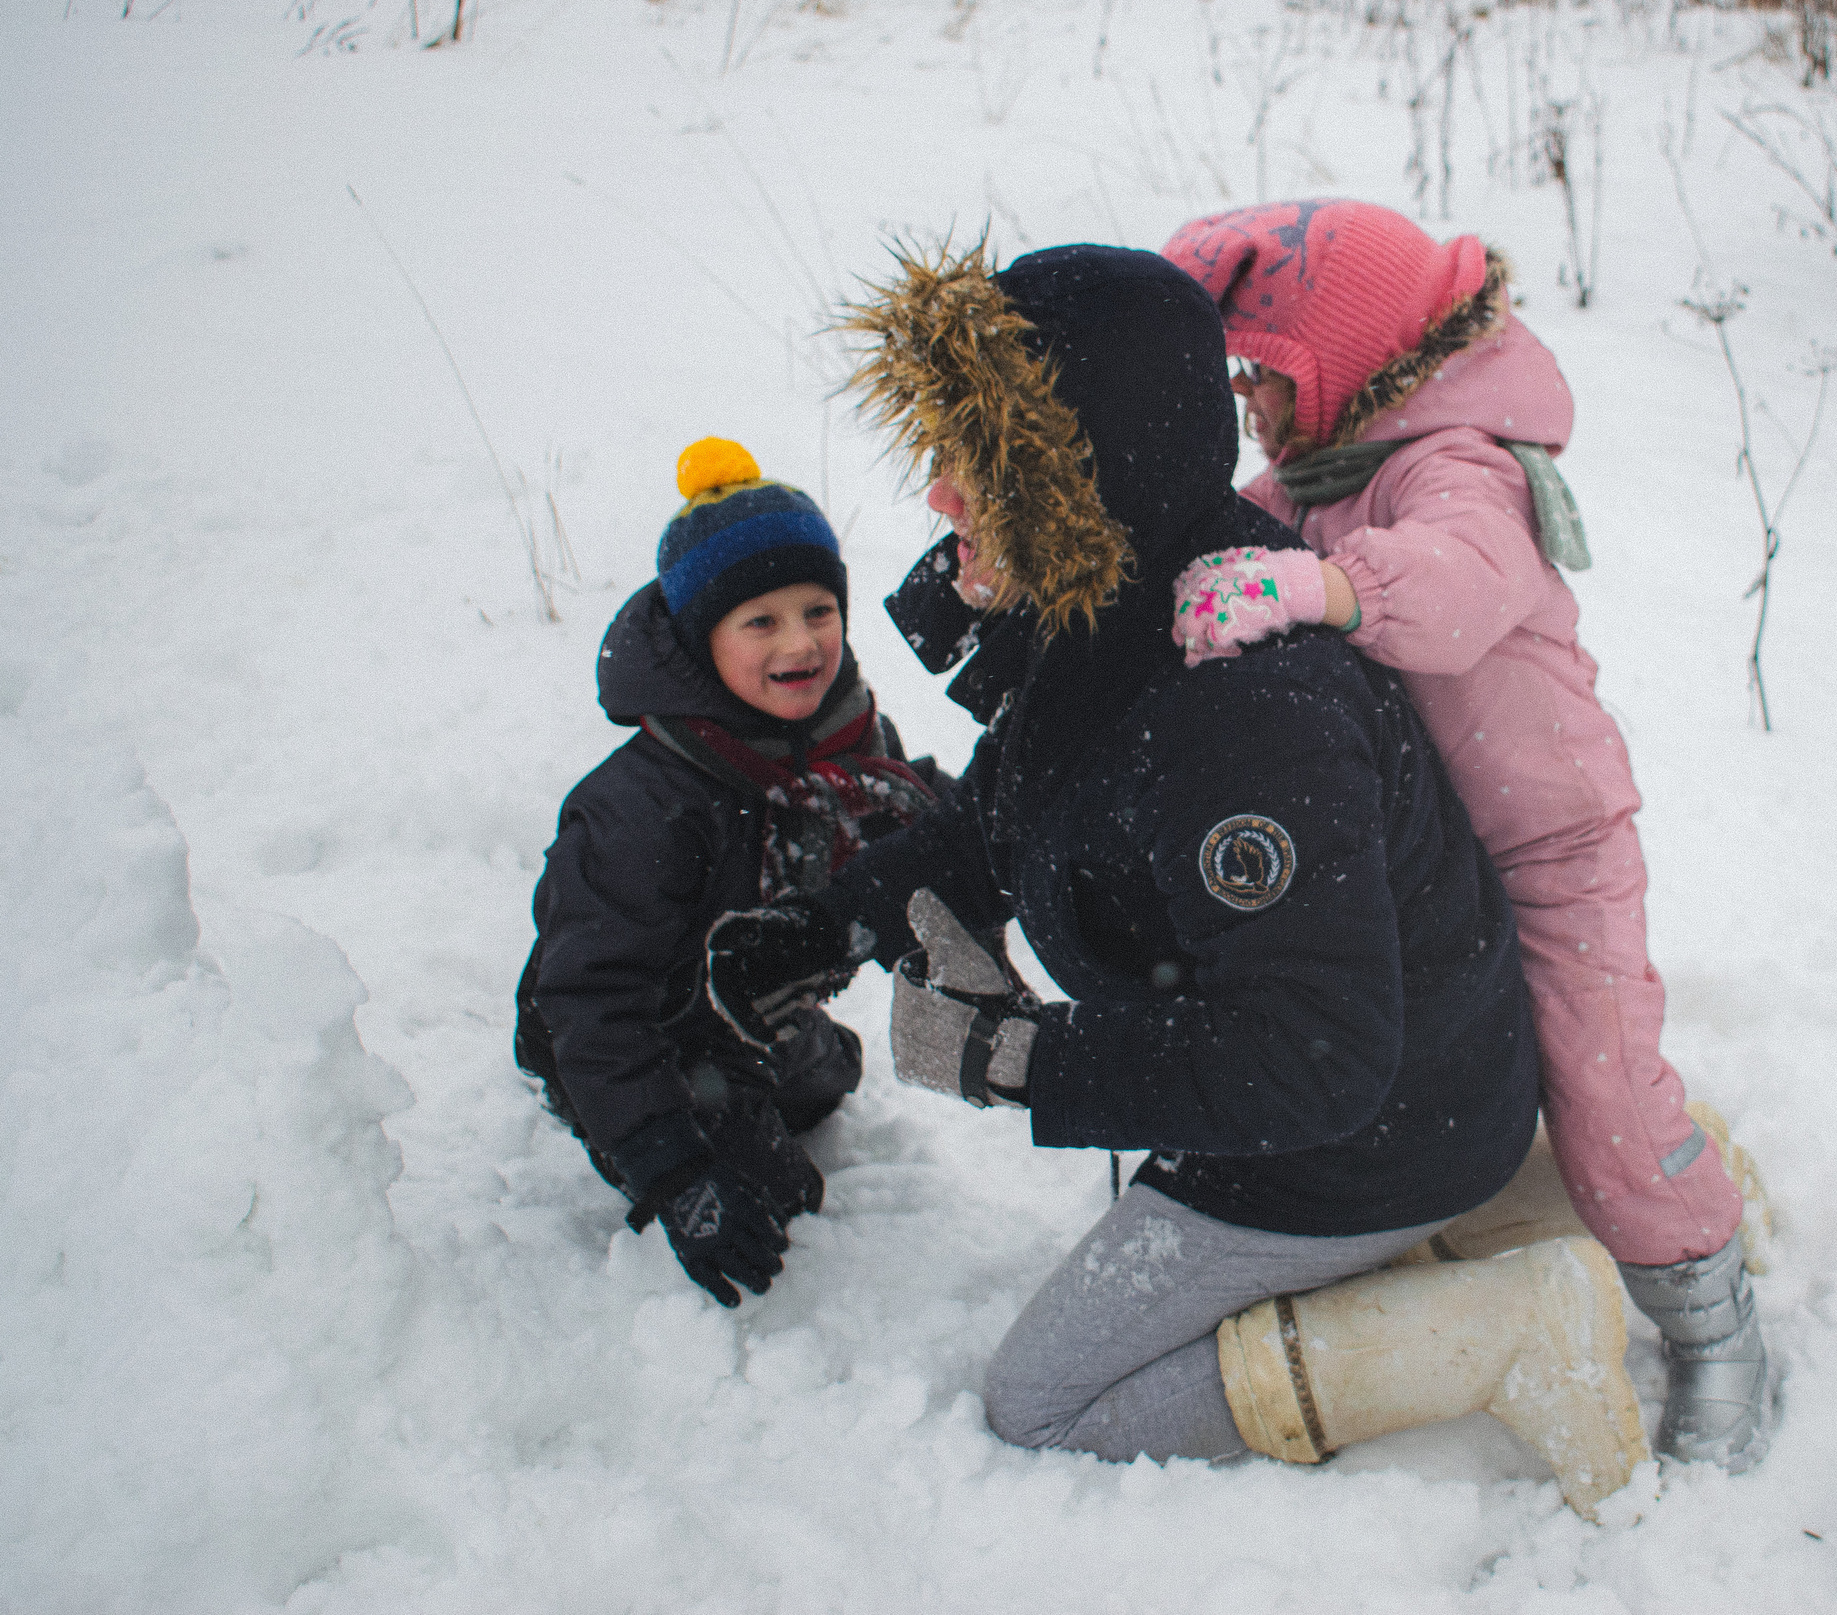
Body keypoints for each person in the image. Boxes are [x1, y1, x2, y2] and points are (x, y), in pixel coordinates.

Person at [713, 240, 1652, 1517]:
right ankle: (1468, 1227)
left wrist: (1018, 1059)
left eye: (974, 461)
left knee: (1043, 1403)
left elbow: (1315, 1061)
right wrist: (824, 930)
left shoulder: (1242, 710)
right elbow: (1005, 813)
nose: (938, 496)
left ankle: (1500, 1325)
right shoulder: (1115, 596)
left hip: (1363, 1136)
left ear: (1080, 471)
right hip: (1387, 1086)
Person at [1158, 199, 1774, 1471]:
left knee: (1597, 1098)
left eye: (1265, 376)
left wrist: (1319, 588)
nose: (1247, 403)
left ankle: (1714, 1326)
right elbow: (1227, 536)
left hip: (1552, 851)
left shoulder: (1457, 467)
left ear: (1339, 365)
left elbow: (1451, 589)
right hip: (1434, 857)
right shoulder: (1311, 478)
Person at [514, 438, 930, 1307]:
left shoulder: (848, 738)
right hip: (632, 1027)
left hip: (742, 1004)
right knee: (774, 1201)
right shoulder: (643, 805)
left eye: (819, 610)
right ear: (703, 643)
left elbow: (917, 824)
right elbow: (591, 999)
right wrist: (672, 1168)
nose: (802, 643)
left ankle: (746, 1068)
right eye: (761, 622)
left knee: (824, 1082)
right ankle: (614, 1117)